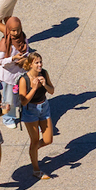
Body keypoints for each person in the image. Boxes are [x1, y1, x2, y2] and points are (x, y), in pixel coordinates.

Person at [16, 53, 56, 181]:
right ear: (30, 64)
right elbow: (23, 101)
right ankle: (36, 169)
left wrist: (44, 84)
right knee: (34, 139)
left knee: (48, 139)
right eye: (37, 63)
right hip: (30, 110)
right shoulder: (24, 79)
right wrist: (33, 88)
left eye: (40, 62)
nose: (40, 65)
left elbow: (52, 91)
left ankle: (33, 150)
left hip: (44, 106)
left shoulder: (44, 73)